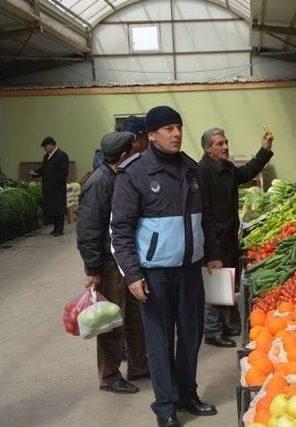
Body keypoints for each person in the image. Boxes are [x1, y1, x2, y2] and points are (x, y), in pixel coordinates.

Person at [110, 106, 218, 427]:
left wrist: (211, 252)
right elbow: (121, 229)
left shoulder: (191, 169)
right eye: (168, 128)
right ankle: (166, 406)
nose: (176, 133)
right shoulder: (134, 174)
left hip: (189, 271)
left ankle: (187, 394)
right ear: (152, 135)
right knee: (159, 342)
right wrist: (132, 274)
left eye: (179, 127)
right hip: (154, 274)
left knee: (190, 336)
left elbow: (206, 218)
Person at [76, 131, 148, 395]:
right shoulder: (99, 183)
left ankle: (139, 365)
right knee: (111, 320)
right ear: (123, 155)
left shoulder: (119, 177)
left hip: (124, 258)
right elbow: (88, 230)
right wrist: (93, 269)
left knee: (134, 316)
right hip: (108, 263)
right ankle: (109, 375)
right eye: (134, 149)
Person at [198, 127, 273, 347]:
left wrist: (264, 151)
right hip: (214, 235)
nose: (225, 147)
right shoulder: (203, 171)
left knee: (227, 280)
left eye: (226, 142)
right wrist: (212, 238)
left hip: (228, 233)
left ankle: (227, 325)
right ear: (207, 148)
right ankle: (212, 331)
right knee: (216, 282)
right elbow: (204, 211)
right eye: (219, 144)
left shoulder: (227, 168)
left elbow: (247, 172)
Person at [29, 136, 69, 236]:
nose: (45, 149)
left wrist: (53, 181)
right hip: (48, 188)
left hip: (57, 188)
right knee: (52, 208)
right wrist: (35, 173)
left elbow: (63, 173)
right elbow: (44, 169)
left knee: (58, 209)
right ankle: (55, 228)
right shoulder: (47, 156)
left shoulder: (62, 155)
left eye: (46, 146)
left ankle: (59, 230)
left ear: (52, 144)